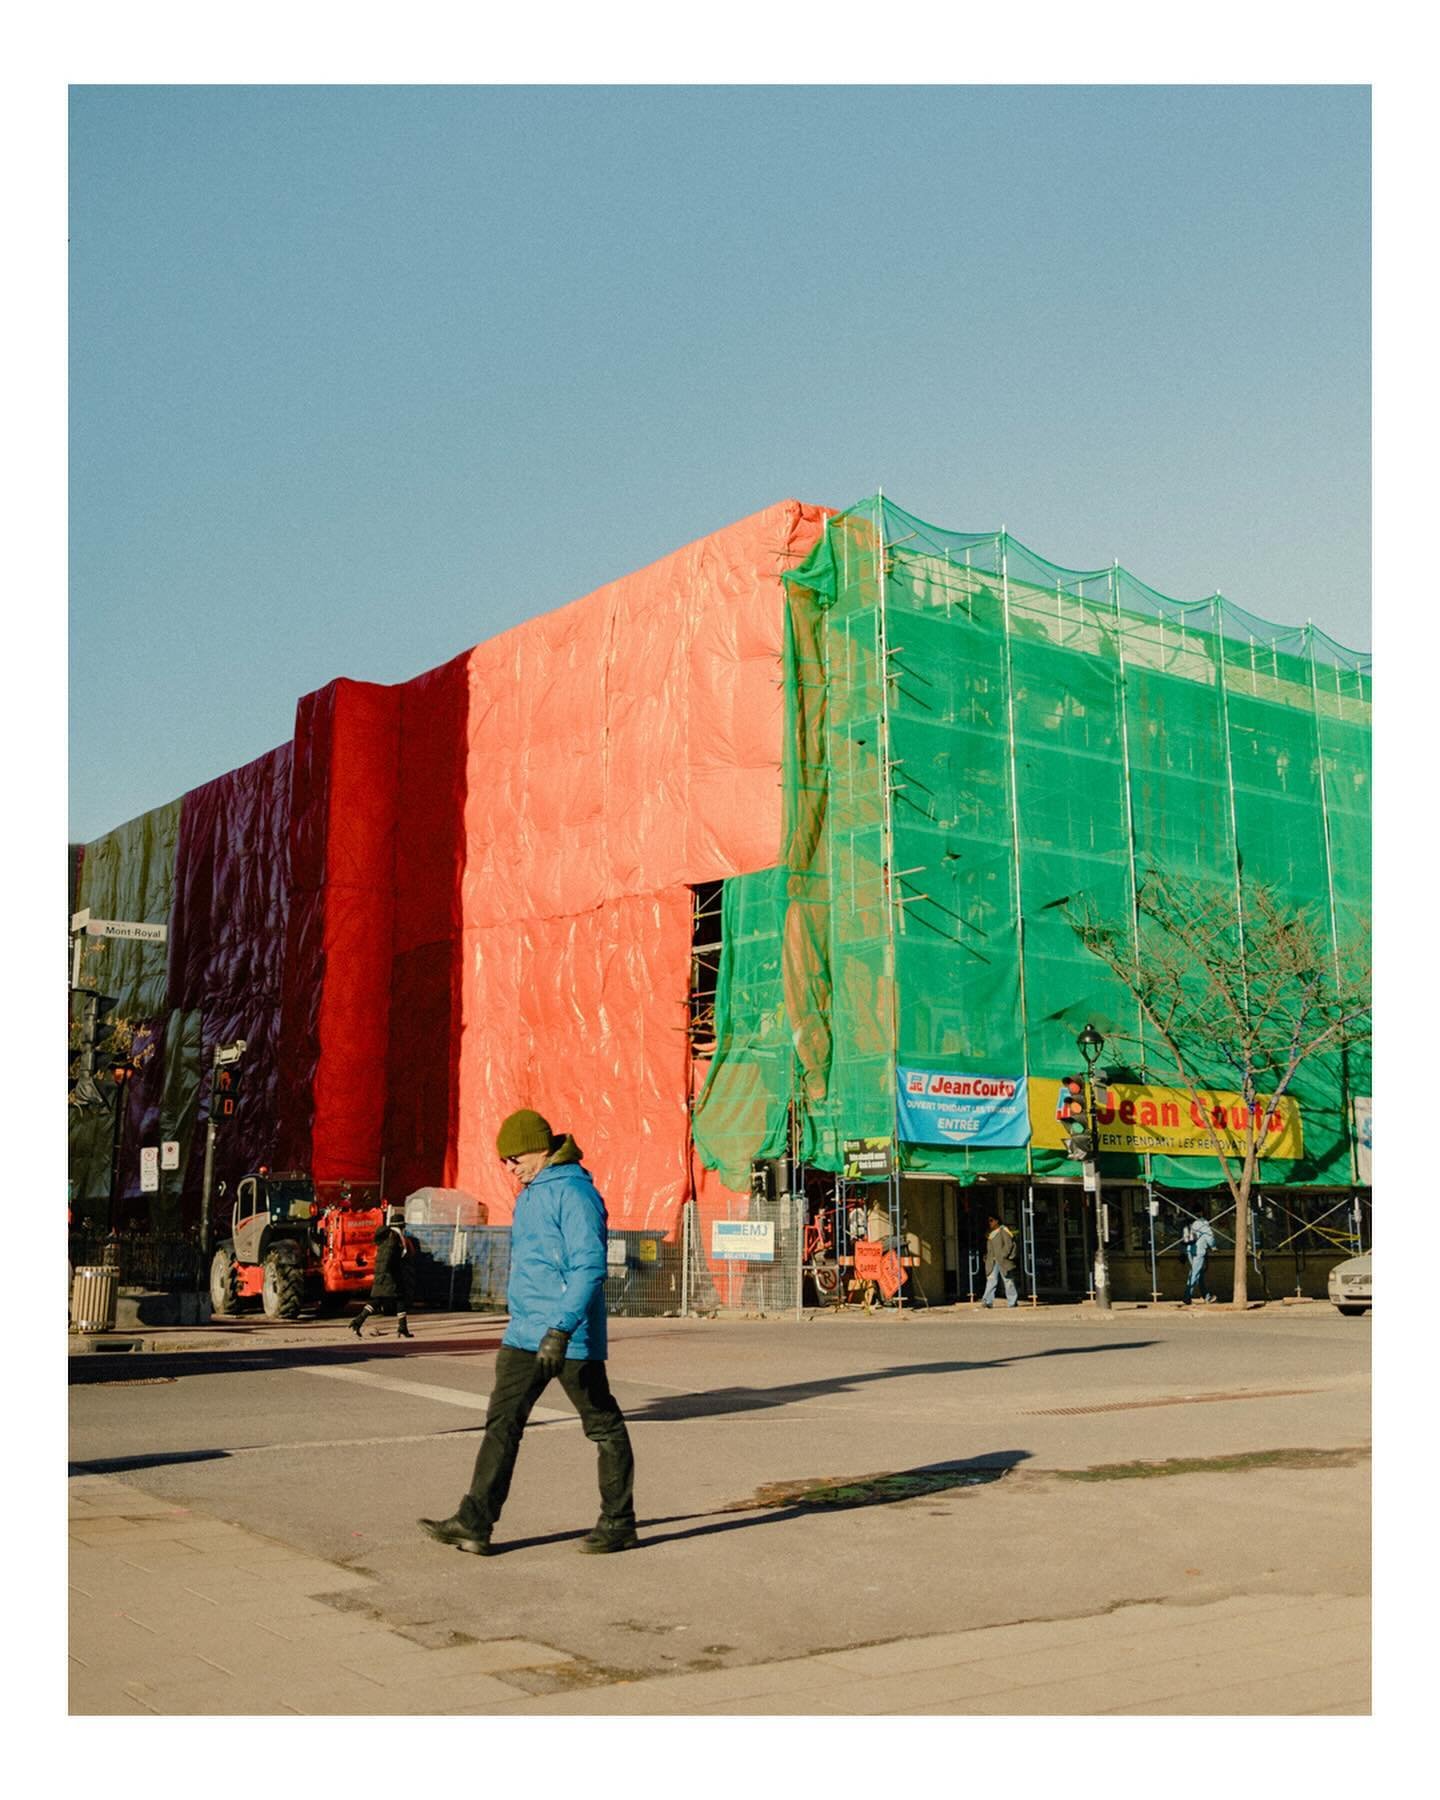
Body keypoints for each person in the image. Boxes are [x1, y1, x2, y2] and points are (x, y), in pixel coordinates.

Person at [418, 1108, 637, 1557]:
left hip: (567, 1336)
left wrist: (561, 1329)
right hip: (524, 1333)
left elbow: (588, 1266)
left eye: (513, 1157)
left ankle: (618, 1523)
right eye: (503, 1161)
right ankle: (475, 1522)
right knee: (502, 1423)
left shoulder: (575, 1193)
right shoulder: (533, 1192)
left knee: (602, 1425)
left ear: (540, 1149)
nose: (508, 1167)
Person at [350, 1207, 415, 1338]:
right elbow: (388, 1256)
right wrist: (386, 1273)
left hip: (385, 1275)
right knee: (395, 1300)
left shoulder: (388, 1236)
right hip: (389, 1276)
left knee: (383, 1301)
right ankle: (402, 1328)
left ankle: (358, 1322)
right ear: (401, 1226)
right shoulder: (393, 1238)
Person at [981, 1214, 1019, 1308]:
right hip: (992, 1261)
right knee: (991, 1280)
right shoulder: (989, 1233)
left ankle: (1012, 1301)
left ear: (997, 1221)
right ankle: (987, 1301)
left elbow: (1009, 1244)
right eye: (988, 1221)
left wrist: (1003, 1255)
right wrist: (987, 1257)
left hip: (1003, 1260)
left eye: (991, 1220)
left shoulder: (1003, 1230)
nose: (989, 1223)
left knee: (1008, 1280)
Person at [1182, 1212, 1217, 1305]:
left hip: (1189, 1250)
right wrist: (1213, 1246)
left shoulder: (1189, 1223)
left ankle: (1207, 1296)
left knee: (1198, 1274)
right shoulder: (1202, 1222)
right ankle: (1187, 1296)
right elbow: (1209, 1236)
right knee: (1195, 1273)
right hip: (1199, 1251)